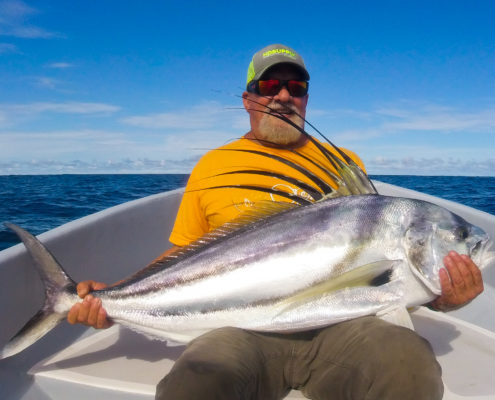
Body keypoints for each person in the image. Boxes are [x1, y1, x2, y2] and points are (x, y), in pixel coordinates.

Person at [68, 44, 484, 400]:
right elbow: (188, 252)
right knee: (194, 381)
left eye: (296, 88)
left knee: (409, 366)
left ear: (305, 99)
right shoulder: (214, 165)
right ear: (249, 98)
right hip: (242, 327)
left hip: (344, 327)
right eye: (270, 86)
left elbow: (378, 273)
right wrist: (116, 295)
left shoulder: (344, 165)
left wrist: (445, 296)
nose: (283, 96)